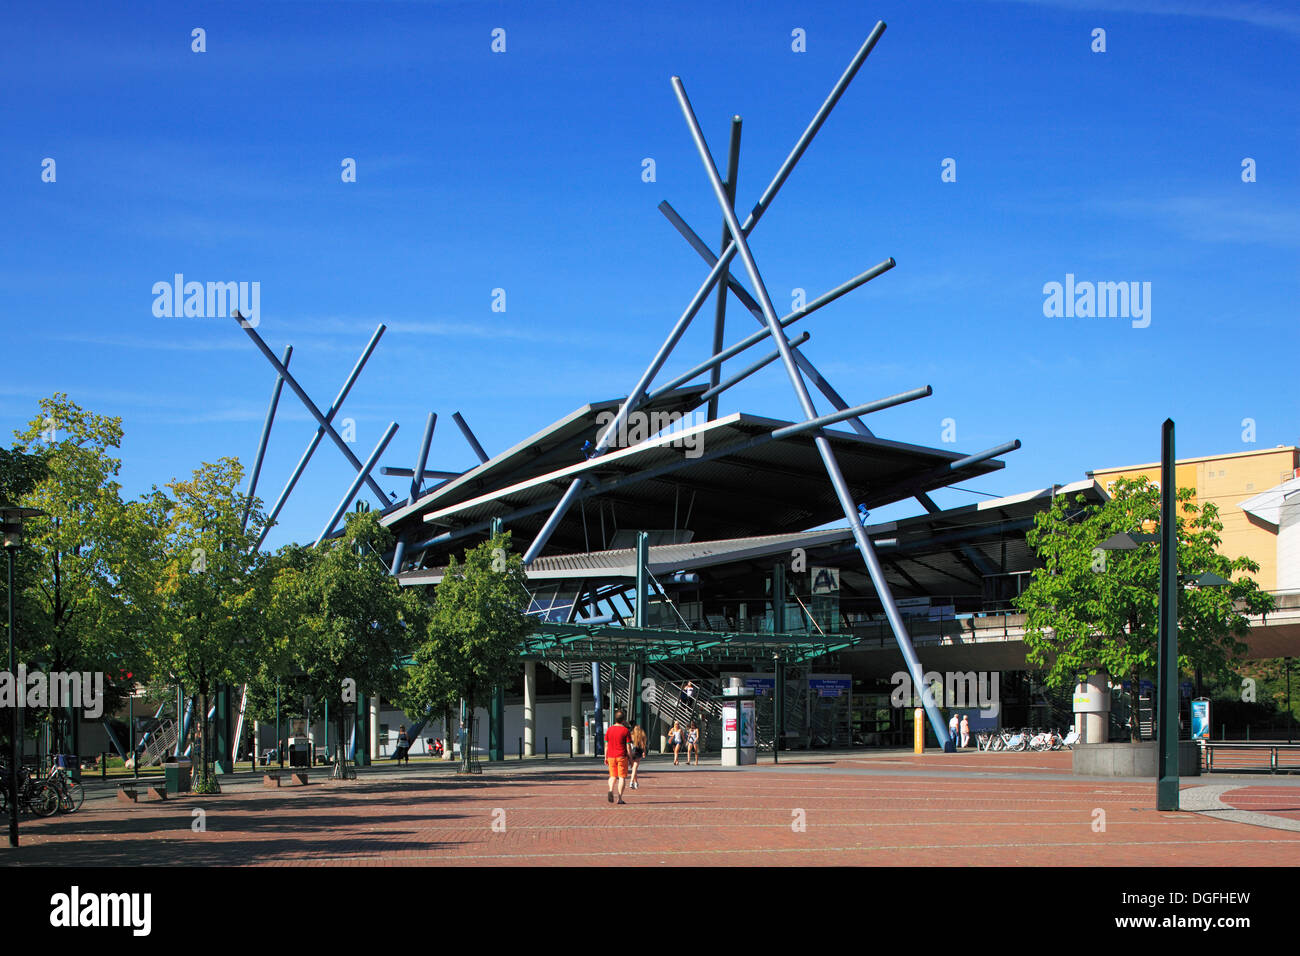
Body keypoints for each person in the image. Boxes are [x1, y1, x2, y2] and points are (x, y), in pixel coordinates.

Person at [604, 708, 632, 805]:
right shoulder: (625, 731)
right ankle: (619, 798)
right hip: (622, 756)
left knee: (612, 776)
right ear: (623, 720)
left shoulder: (609, 730)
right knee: (622, 777)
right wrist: (631, 759)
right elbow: (628, 746)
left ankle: (611, 789)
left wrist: (605, 757)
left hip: (611, 756)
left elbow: (606, 745)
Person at [628, 720, 648, 790]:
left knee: (634, 769)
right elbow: (643, 746)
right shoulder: (641, 737)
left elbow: (628, 744)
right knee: (634, 768)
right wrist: (644, 752)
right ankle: (631, 782)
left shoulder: (631, 736)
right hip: (638, 753)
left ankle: (636, 783)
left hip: (631, 753)